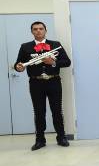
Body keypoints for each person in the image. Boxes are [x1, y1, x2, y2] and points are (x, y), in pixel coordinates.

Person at [14, 21, 71, 151]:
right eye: (35, 29)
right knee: (39, 112)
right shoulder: (25, 47)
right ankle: (40, 140)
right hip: (36, 83)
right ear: (32, 31)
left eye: (41, 29)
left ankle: (61, 137)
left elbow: (67, 62)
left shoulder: (55, 45)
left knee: (57, 110)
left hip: (53, 81)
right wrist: (19, 68)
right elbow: (19, 64)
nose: (38, 31)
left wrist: (53, 62)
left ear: (45, 30)